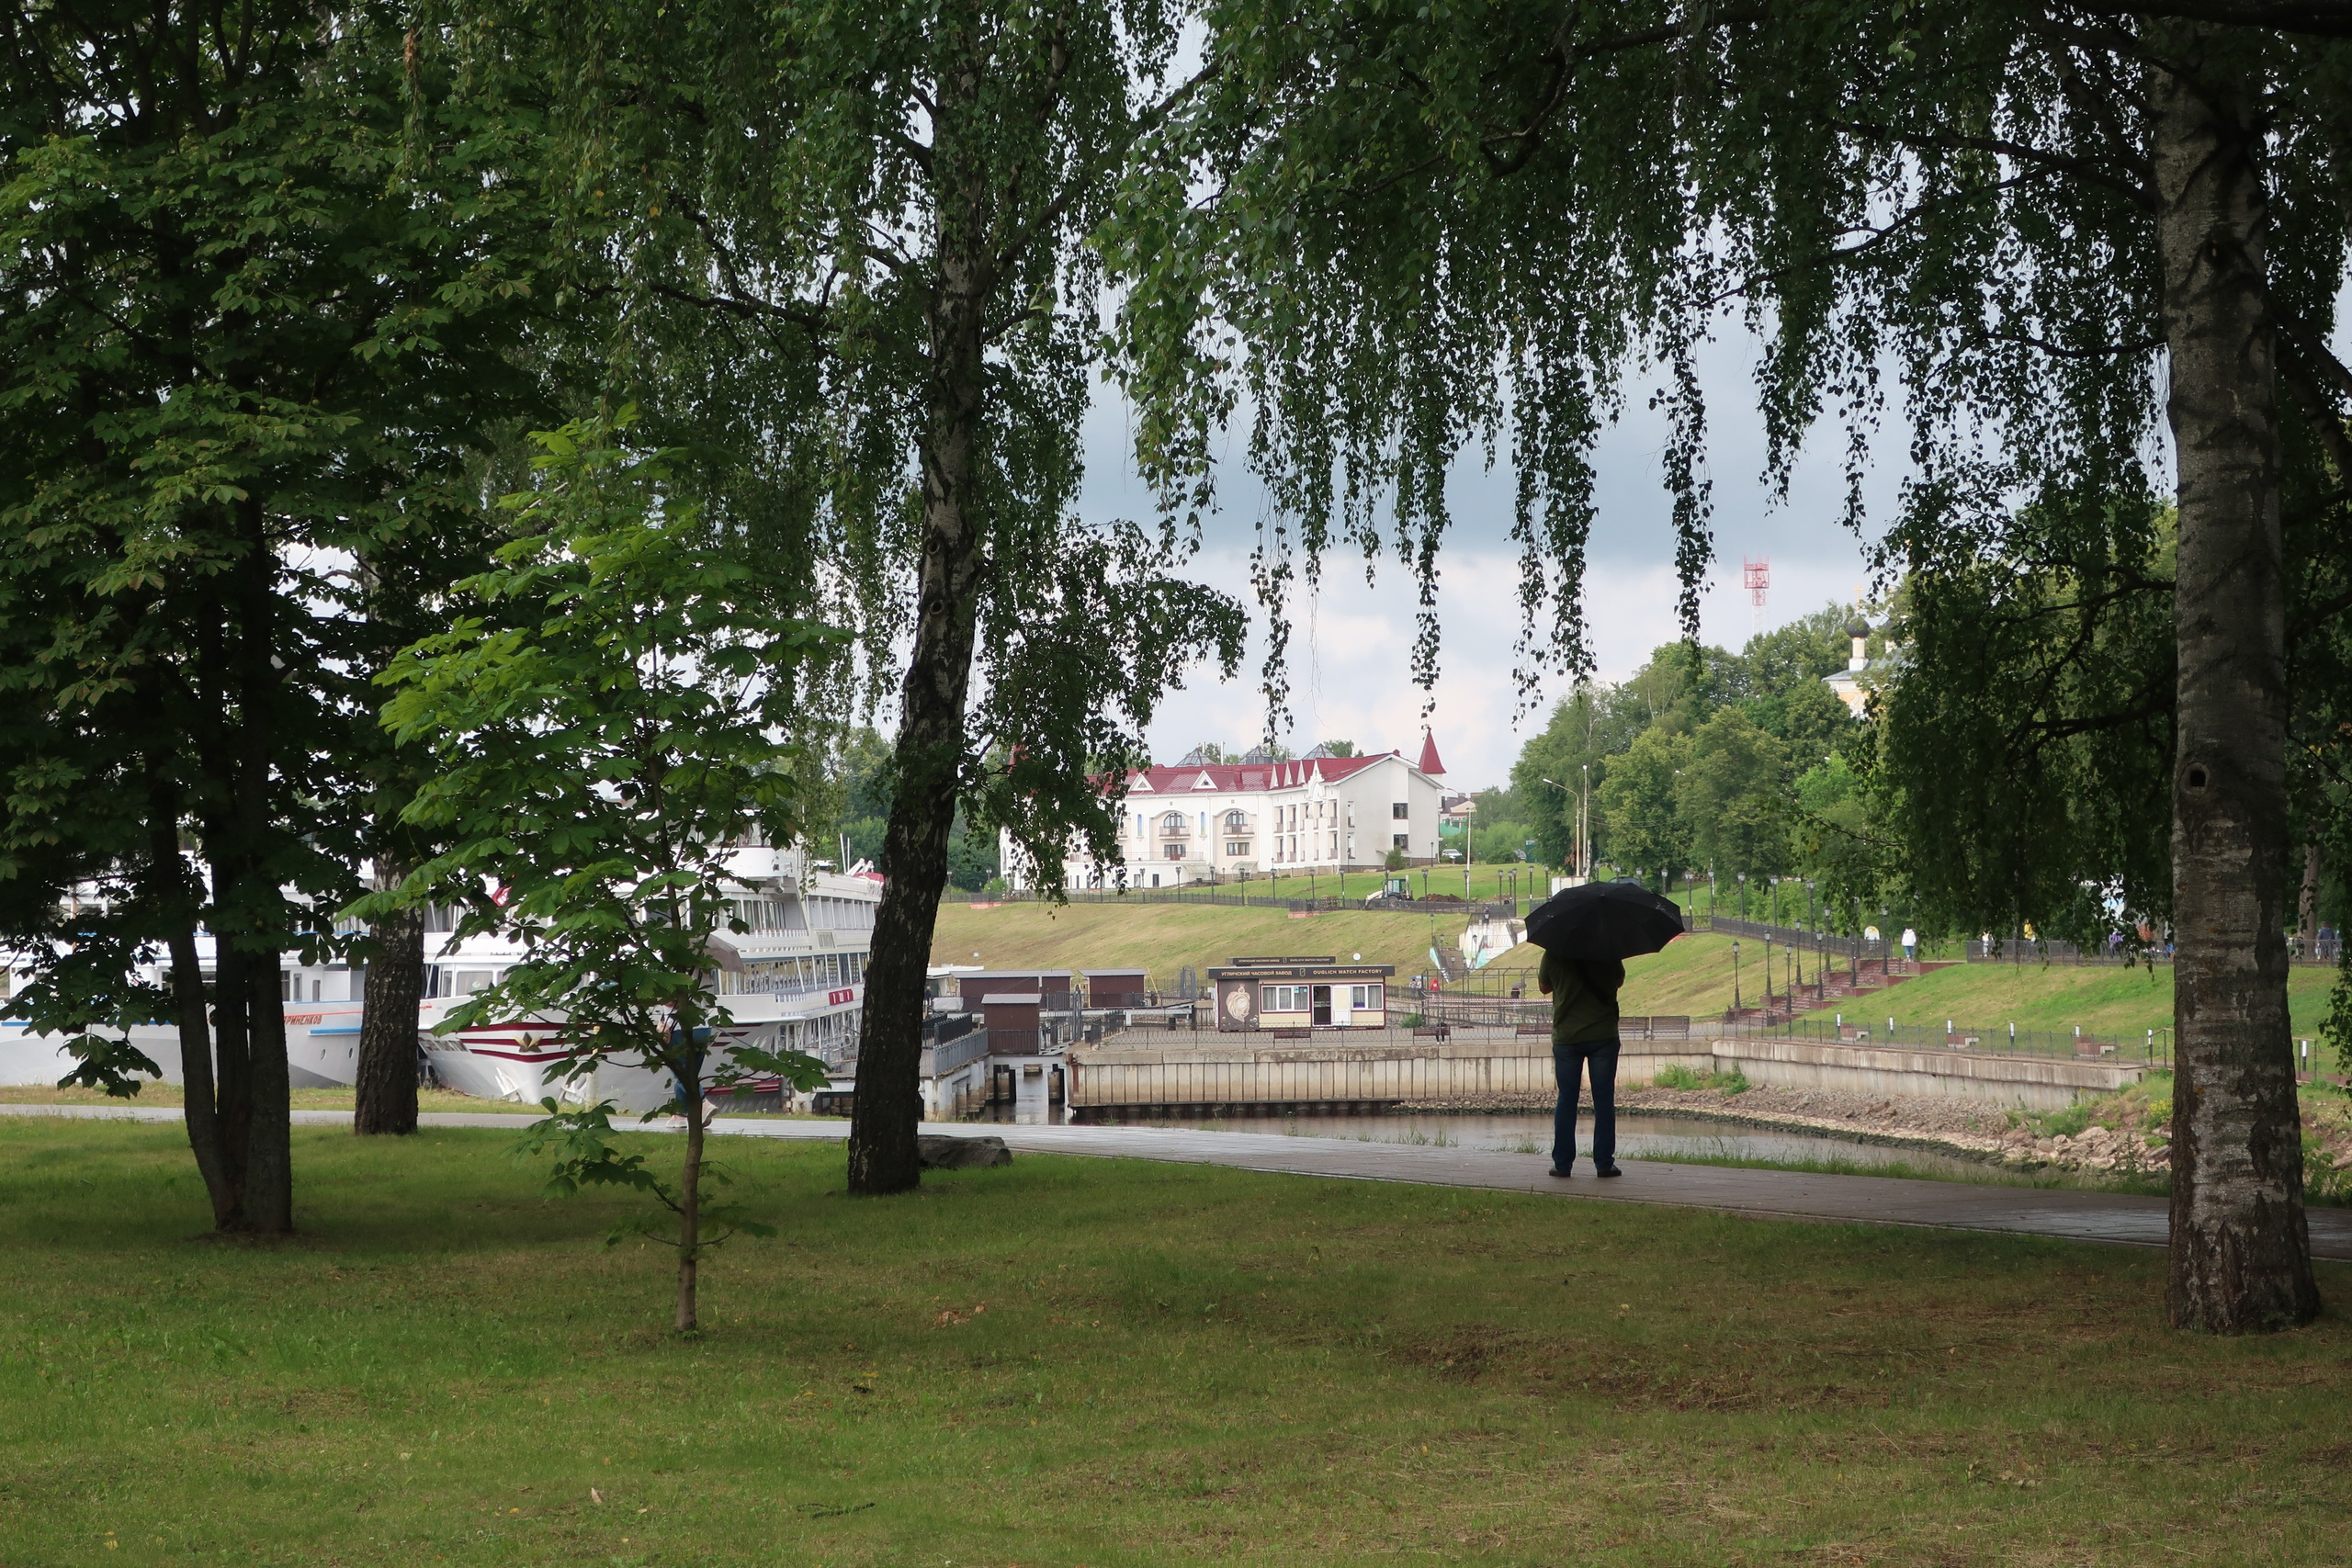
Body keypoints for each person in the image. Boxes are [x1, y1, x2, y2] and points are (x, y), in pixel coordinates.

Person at [1539, 946, 1625, 1179]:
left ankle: (1562, 1164)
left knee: (1567, 1098)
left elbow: (1544, 987)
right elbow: (1619, 981)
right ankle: (1604, 1163)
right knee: (1604, 1099)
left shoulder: (1554, 951)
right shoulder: (1607, 947)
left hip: (1567, 1037)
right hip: (1603, 1035)